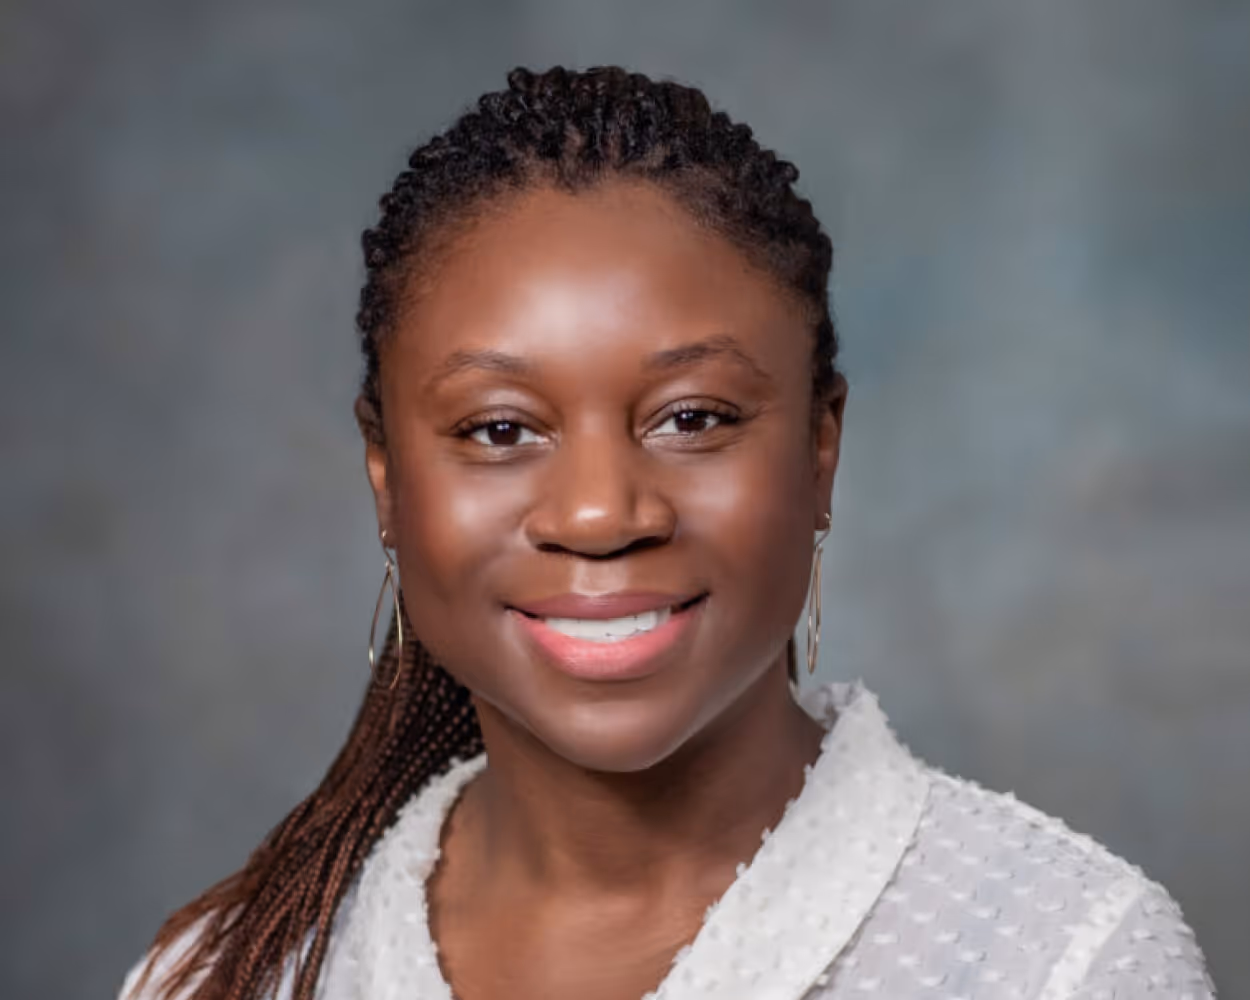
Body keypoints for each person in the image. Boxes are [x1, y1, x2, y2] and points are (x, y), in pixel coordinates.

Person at [118, 66, 1215, 1000]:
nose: (601, 512)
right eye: (500, 428)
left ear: (819, 448)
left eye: (692, 418)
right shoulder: (226, 974)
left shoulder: (1061, 961)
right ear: (386, 480)